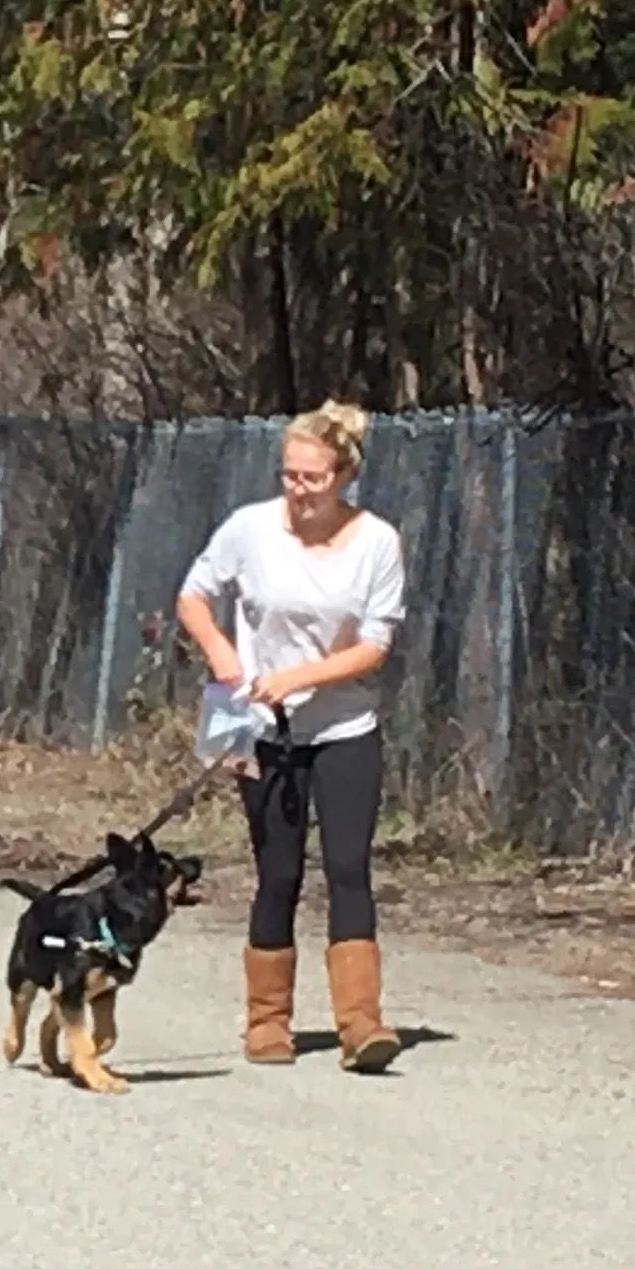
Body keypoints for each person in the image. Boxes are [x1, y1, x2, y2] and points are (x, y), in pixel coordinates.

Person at [175, 400, 408, 1073]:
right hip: (259, 726)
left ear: (343, 477)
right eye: (289, 476)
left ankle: (361, 1024)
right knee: (278, 872)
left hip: (343, 725)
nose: (298, 491)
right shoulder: (249, 529)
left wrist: (302, 676)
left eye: (312, 478)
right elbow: (194, 596)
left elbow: (374, 648)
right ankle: (267, 1021)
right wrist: (225, 661)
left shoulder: (377, 544)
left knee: (347, 868)